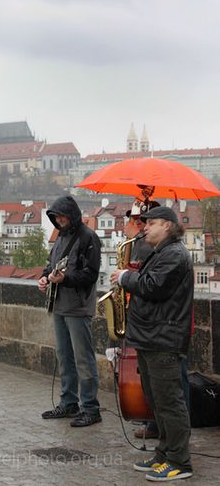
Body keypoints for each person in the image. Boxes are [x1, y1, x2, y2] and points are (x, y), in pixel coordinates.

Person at [111, 206, 193, 482]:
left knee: (169, 402)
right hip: (150, 336)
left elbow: (153, 287)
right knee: (156, 401)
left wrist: (124, 278)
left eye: (152, 223)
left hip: (164, 338)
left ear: (168, 226)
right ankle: (164, 453)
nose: (145, 227)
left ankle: (180, 462)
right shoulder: (161, 252)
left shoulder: (174, 254)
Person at [38, 195, 102, 427]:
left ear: (72, 215)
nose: (59, 219)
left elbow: (91, 274)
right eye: (56, 217)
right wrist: (45, 278)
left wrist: (65, 278)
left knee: (83, 359)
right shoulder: (60, 237)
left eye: (63, 215)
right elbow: (50, 264)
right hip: (59, 304)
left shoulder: (88, 237)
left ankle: (90, 407)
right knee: (64, 357)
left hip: (78, 306)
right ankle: (69, 402)